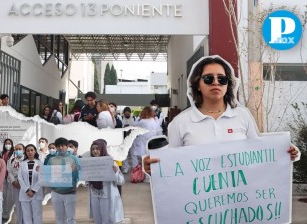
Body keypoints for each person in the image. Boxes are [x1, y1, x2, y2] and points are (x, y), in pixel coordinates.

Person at [143, 55, 299, 174]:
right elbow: (173, 168)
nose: (216, 82)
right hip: (199, 207)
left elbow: (258, 155)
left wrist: (283, 152)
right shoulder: (180, 122)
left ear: (228, 84)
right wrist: (153, 167)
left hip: (240, 202)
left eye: (222, 79)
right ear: (197, 84)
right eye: (209, 78)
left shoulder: (242, 116)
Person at [88, 139, 124, 224]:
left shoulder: (111, 162)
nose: (95, 151)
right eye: (93, 149)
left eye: (97, 148)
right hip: (95, 195)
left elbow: (121, 181)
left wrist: (116, 173)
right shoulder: (90, 163)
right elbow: (87, 181)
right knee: (98, 220)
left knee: (107, 220)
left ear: (102, 149)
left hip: (107, 196)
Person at [47, 138, 80, 224]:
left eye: (63, 146)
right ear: (56, 147)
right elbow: (47, 175)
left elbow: (80, 175)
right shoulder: (52, 160)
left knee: (71, 218)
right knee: (59, 218)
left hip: (70, 192)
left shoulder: (74, 159)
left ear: (67, 146)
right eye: (58, 146)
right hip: (56, 193)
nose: (61, 148)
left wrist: (74, 172)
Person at [129, 106, 162, 172]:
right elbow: (159, 132)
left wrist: (139, 117)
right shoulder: (154, 121)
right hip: (151, 144)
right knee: (148, 160)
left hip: (141, 144)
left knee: (134, 156)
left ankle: (136, 173)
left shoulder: (142, 121)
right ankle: (146, 175)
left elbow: (133, 126)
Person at [18, 144, 43, 224]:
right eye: (28, 150)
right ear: (25, 152)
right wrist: (27, 190)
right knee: (26, 215)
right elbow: (20, 178)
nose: (30, 152)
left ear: (35, 151)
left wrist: (33, 190)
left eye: (32, 150)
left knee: (37, 214)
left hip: (36, 193)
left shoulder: (40, 163)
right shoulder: (22, 163)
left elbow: (41, 178)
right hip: (25, 192)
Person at [7, 143, 25, 224]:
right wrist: (13, 181)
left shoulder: (26, 160)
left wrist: (21, 182)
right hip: (15, 185)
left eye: (20, 149)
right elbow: (9, 172)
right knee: (18, 205)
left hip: (25, 185)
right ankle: (19, 221)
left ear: (23, 150)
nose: (18, 151)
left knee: (25, 205)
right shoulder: (11, 160)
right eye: (16, 149)